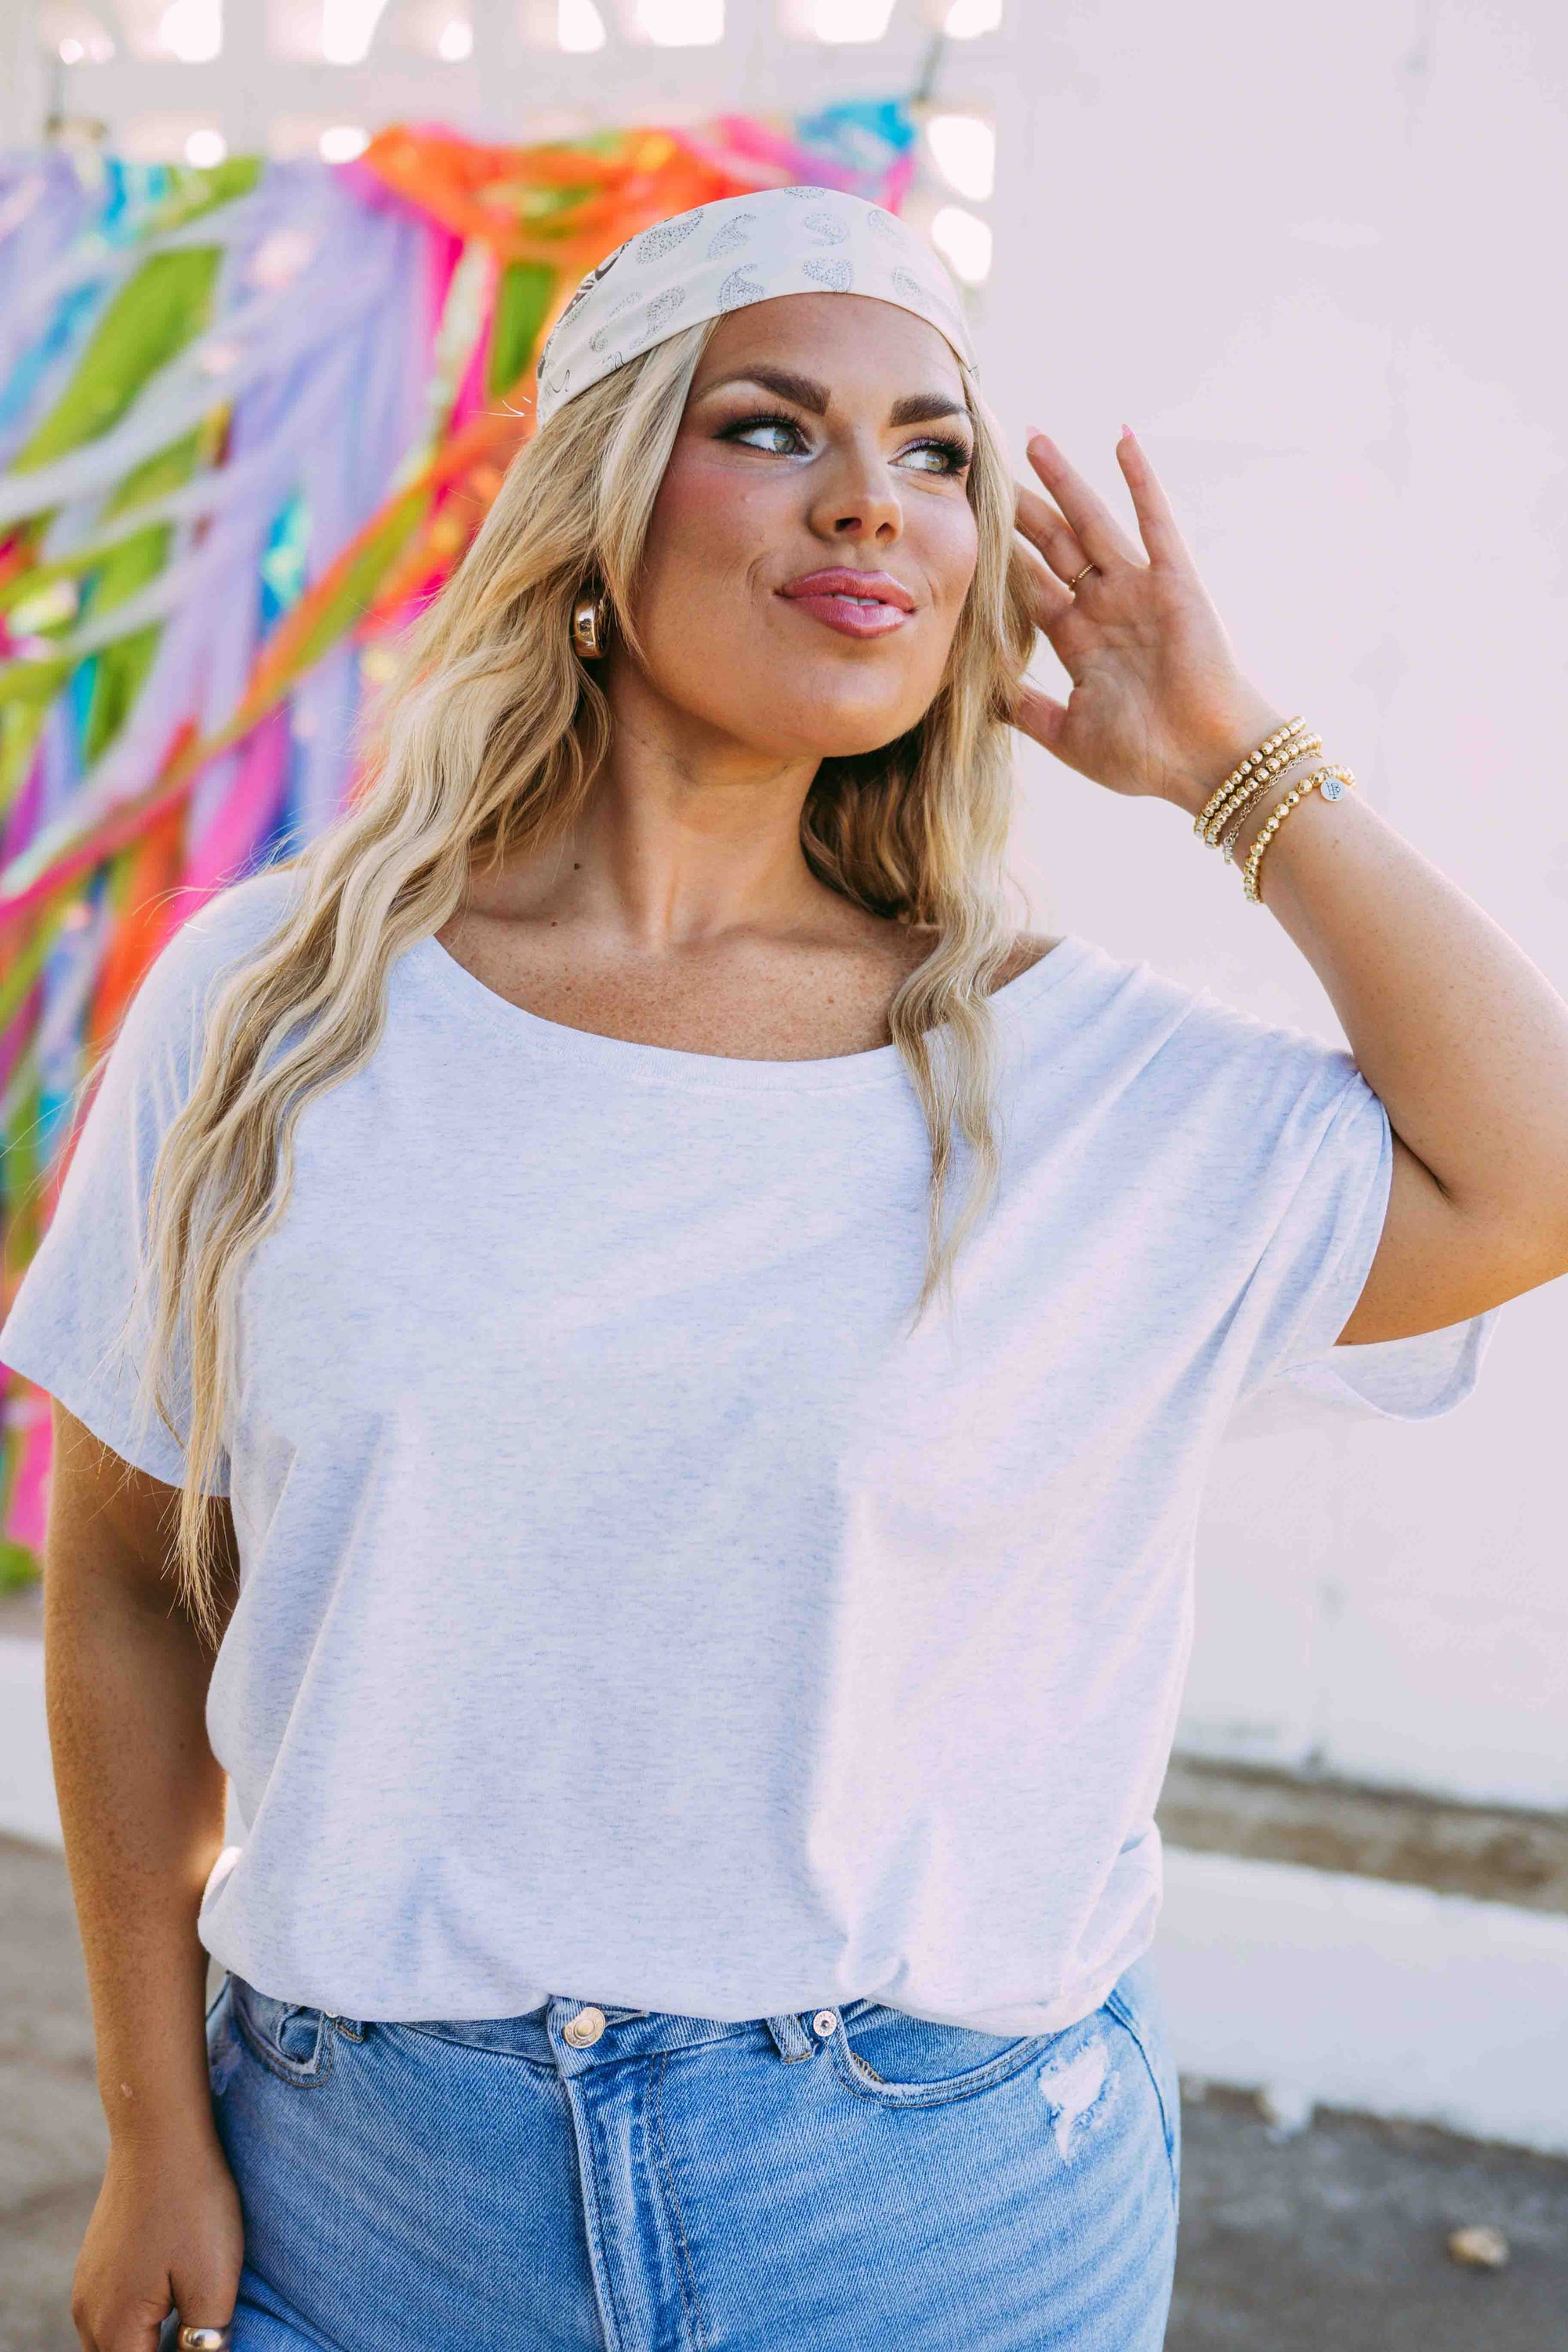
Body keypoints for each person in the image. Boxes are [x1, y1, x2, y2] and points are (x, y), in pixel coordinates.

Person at [5, 185, 1566, 2352]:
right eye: (771, 425)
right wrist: (153, 2125)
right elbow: (127, 1580)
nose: (872, 501)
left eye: (937, 453)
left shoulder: (1068, 1072)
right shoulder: (277, 1005)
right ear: (596, 511)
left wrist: (1228, 760)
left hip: (922, 2210)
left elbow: (1528, 1173)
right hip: (364, 2191)